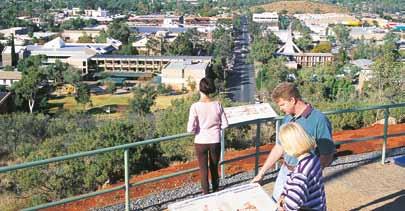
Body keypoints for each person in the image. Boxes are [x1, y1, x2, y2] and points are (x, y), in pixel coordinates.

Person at [252, 82, 335, 204]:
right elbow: (279, 147)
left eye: (282, 105)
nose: (280, 109)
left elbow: (327, 154)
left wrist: (311, 174)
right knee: (277, 203)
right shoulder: (287, 118)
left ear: (292, 100)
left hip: (305, 175)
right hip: (285, 170)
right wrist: (261, 173)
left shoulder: (319, 120)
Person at [187, 77, 229, 194]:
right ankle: (216, 191)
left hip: (200, 141)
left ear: (200, 89)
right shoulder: (218, 104)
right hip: (215, 140)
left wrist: (198, 129)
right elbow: (225, 124)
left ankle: (206, 194)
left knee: (203, 169)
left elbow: (190, 129)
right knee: (214, 168)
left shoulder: (195, 106)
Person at [277, 122, 326, 211]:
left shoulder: (300, 174)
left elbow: (292, 206)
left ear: (289, 146)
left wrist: (282, 205)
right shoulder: (313, 159)